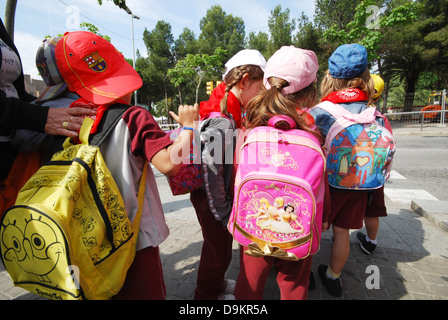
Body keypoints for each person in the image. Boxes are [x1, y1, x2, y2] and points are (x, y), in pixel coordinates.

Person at [55, 31, 199, 300]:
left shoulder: (69, 120)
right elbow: (169, 164)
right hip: (134, 238)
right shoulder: (134, 117)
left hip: (88, 237)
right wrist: (188, 128)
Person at [233, 46, 330, 300]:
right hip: (298, 232)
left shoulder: (251, 128)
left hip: (254, 228)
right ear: (309, 93)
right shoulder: (313, 135)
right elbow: (322, 186)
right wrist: (324, 219)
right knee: (294, 287)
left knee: (249, 284)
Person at [308, 43, 384, 297]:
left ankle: (304, 273)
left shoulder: (319, 112)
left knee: (312, 230)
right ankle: (333, 276)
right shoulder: (377, 115)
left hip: (324, 187)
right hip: (358, 185)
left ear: (330, 78)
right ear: (365, 78)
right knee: (342, 233)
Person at [191, 49, 266, 300]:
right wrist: (222, 213)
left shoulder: (230, 110)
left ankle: (216, 284)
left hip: (217, 199)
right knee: (217, 251)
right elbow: (211, 172)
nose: (261, 96)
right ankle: (205, 296)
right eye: (259, 88)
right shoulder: (222, 121)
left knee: (219, 249)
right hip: (213, 201)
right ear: (244, 80)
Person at [0, 19, 94, 215]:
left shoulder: (48, 107)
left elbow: (21, 135)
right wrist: (38, 116)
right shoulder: (84, 105)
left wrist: (36, 108)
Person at [356, 74, 392, 254]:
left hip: (351, 175)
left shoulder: (352, 114)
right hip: (375, 176)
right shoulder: (381, 119)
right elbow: (389, 147)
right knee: (372, 211)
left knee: (349, 207)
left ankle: (338, 235)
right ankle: (371, 241)